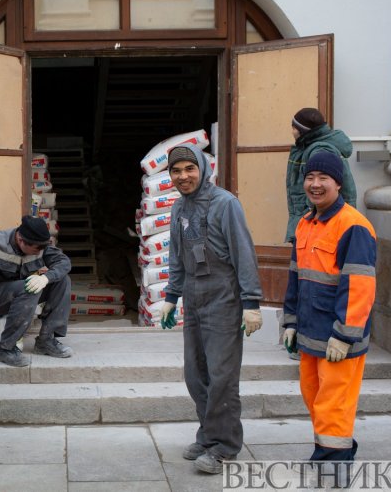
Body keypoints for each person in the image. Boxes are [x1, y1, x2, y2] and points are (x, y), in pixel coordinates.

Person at [160, 144, 263, 474]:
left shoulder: (225, 204)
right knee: (196, 373)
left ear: (202, 169)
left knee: (222, 376)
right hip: (193, 295)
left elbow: (243, 253)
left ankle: (225, 446)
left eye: (189, 169)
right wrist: (171, 296)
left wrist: (251, 303)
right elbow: (177, 255)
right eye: (176, 171)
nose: (183, 176)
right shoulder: (179, 208)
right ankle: (207, 434)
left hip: (223, 296)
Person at [282, 151, 377, 464]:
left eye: (323, 178)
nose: (315, 184)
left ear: (338, 183)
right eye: (310, 177)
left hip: (338, 335)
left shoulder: (353, 225)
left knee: (333, 402)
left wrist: (345, 334)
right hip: (310, 331)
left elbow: (359, 285)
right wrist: (290, 322)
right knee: (313, 395)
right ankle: (337, 446)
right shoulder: (305, 224)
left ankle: (333, 463)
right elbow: (296, 279)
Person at [0, 216, 73, 367]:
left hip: (21, 295)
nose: (40, 252)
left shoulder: (39, 245)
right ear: (20, 239)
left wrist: (46, 278)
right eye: (36, 249)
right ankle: (6, 349)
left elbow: (64, 262)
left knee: (62, 280)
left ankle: (46, 341)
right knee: (28, 287)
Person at [286, 107, 357, 243]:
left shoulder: (320, 151)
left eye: (294, 128)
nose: (292, 132)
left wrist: (313, 220)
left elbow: (320, 191)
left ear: (303, 130)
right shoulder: (312, 147)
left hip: (321, 223)